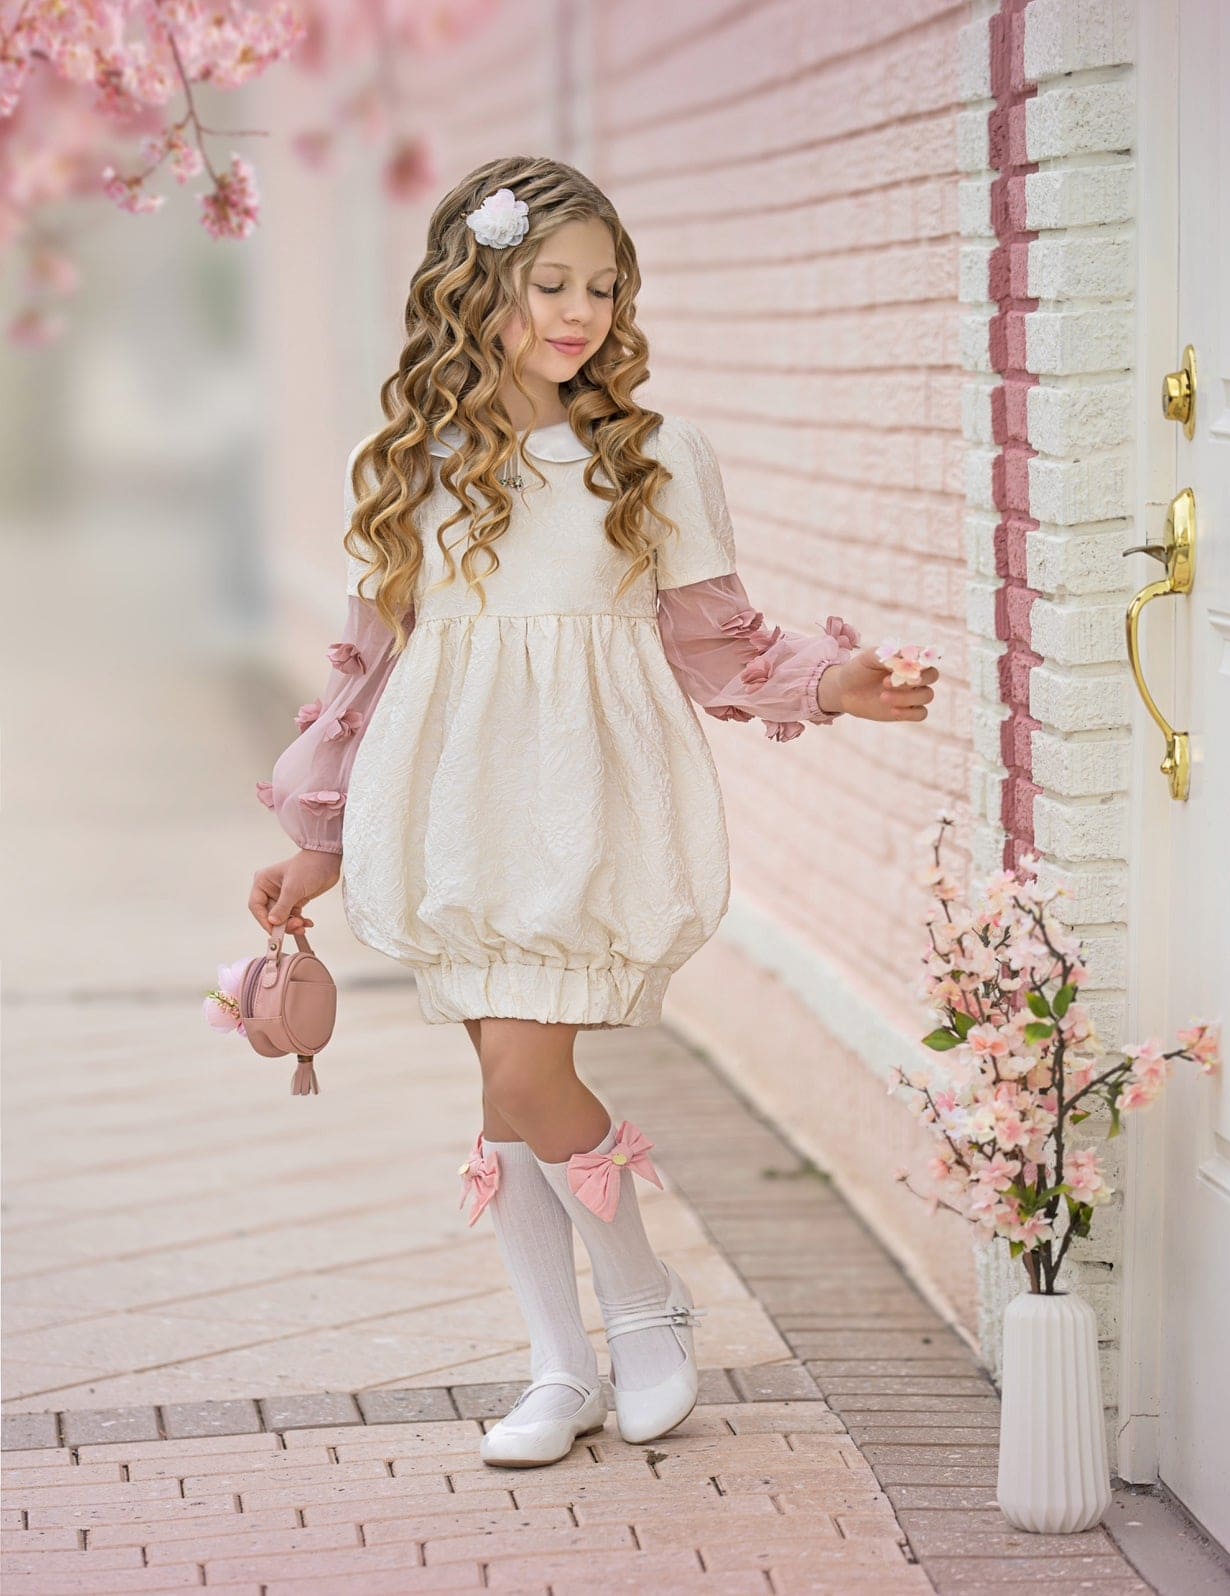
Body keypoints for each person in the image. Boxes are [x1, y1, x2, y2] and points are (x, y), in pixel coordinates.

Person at [248, 156, 938, 1470]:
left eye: (603, 289)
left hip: (589, 802)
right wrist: (314, 838)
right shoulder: (403, 466)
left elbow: (721, 644)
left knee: (527, 1073)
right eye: (549, 283)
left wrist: (836, 681)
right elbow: (363, 671)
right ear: (473, 289)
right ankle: (561, 1368)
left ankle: (644, 1304)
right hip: (454, 806)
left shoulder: (656, 458)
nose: (580, 313)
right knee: (503, 1092)